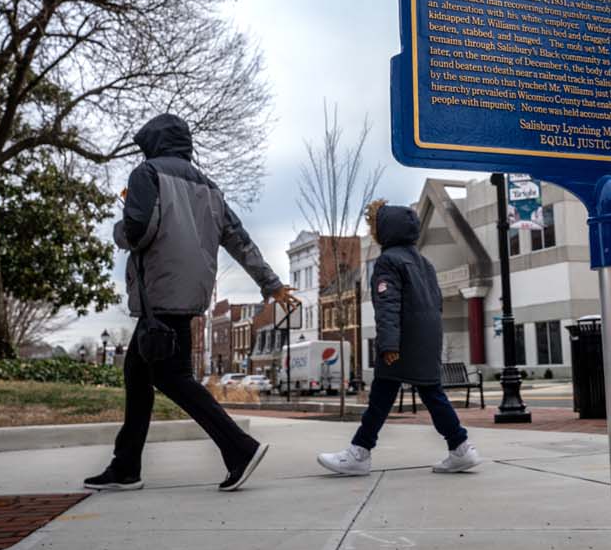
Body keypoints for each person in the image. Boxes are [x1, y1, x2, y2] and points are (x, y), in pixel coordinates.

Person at [84, 114, 299, 493]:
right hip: (190, 293)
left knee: (170, 376)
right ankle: (126, 466)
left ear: (152, 142)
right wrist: (272, 284)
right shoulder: (210, 187)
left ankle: (239, 447)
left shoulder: (146, 174)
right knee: (138, 374)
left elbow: (137, 231)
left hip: (162, 293)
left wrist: (124, 219)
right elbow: (239, 240)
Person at [317, 201, 481, 476]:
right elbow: (436, 303)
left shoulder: (388, 261)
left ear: (386, 231)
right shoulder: (424, 263)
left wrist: (389, 344)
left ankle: (359, 453)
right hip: (427, 338)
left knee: (382, 398)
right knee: (430, 393)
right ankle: (460, 447)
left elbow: (387, 304)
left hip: (402, 341)